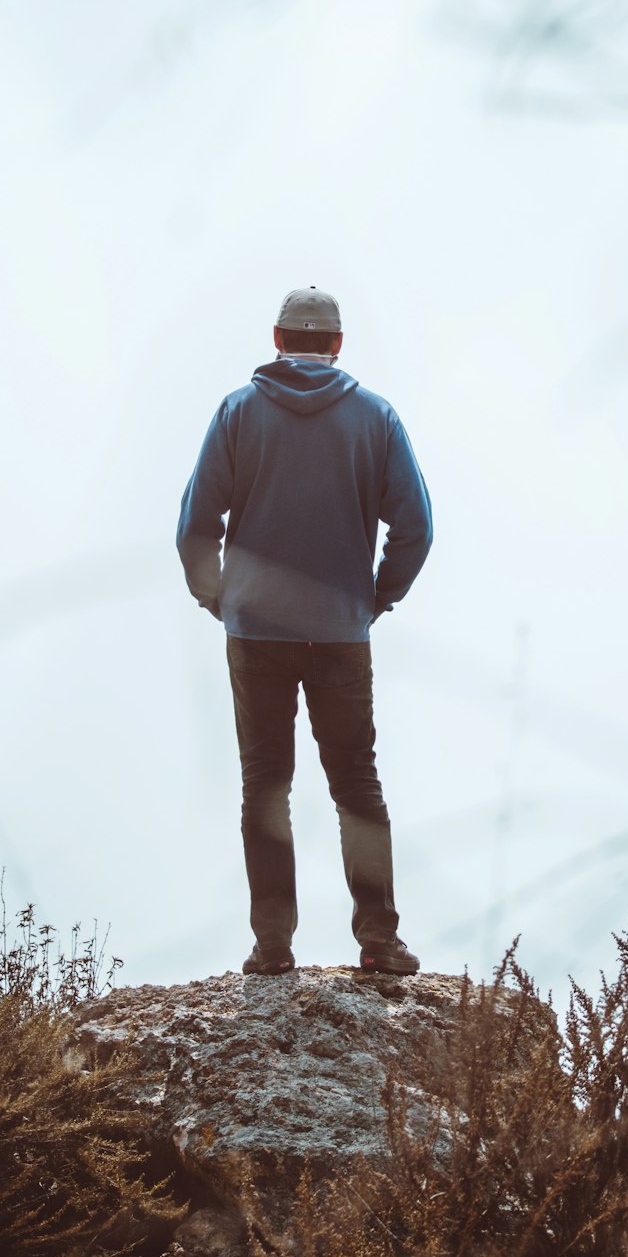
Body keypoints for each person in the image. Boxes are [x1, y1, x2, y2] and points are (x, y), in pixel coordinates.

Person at [177, 286, 433, 977]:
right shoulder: (376, 418)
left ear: (278, 339)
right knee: (356, 783)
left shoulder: (237, 413)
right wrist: (377, 597)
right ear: (338, 344)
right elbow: (416, 527)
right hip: (342, 633)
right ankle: (379, 939)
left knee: (266, 784)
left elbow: (196, 524)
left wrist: (217, 599)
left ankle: (273, 946)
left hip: (255, 630)